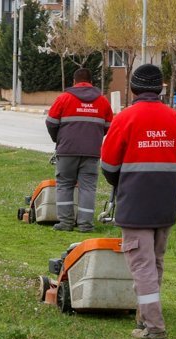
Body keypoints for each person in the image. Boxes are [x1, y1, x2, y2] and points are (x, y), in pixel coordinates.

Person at [99, 64, 176, 339]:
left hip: (135, 204)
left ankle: (154, 326)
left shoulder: (125, 118)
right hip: (166, 203)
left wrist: (120, 181)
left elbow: (108, 164)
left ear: (133, 88)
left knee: (141, 265)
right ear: (161, 89)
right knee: (154, 262)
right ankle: (144, 316)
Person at [46, 68, 113, 232]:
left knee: (64, 185)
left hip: (67, 150)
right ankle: (85, 224)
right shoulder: (102, 101)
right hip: (91, 151)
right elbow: (109, 126)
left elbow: (51, 122)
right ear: (91, 82)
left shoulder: (64, 98)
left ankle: (66, 222)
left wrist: (58, 139)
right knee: (88, 187)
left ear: (74, 81)